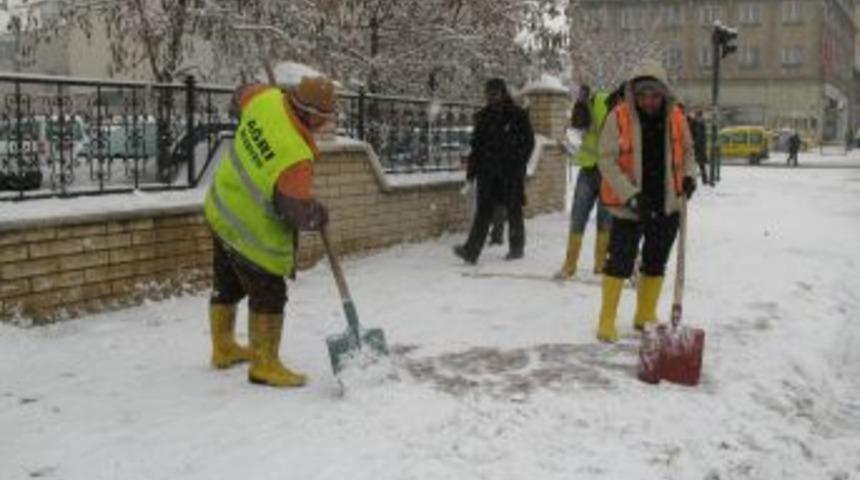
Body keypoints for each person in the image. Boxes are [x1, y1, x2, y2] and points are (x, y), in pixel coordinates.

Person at [203, 75, 336, 387]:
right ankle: (264, 364)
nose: (325, 125)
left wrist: (258, 125)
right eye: (325, 119)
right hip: (251, 231)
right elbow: (296, 210)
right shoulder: (294, 155)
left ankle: (223, 348)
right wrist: (318, 215)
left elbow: (239, 95)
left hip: (221, 210)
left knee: (227, 284)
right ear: (313, 114)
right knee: (269, 294)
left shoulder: (265, 98)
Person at [595, 60, 697, 343]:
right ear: (633, 94)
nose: (648, 101)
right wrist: (630, 194)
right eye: (642, 95)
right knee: (619, 262)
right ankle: (607, 319)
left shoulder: (676, 116)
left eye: (654, 95)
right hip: (630, 205)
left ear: (663, 93)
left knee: (655, 261)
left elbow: (689, 151)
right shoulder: (618, 117)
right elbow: (606, 160)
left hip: (667, 204)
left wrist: (689, 176)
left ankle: (644, 314)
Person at [454, 78, 535, 264]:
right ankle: (471, 251)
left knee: (513, 210)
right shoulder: (483, 117)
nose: (491, 97)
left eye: (495, 93)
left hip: (510, 172)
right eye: (489, 93)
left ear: (503, 93)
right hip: (488, 173)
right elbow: (476, 148)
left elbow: (529, 142)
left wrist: (518, 162)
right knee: (483, 212)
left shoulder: (517, 114)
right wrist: (471, 174)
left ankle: (516, 248)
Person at [555, 85, 612, 279]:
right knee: (578, 217)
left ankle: (600, 265)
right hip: (588, 170)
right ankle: (570, 265)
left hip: (607, 173)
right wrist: (569, 149)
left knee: (605, 221)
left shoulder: (606, 104)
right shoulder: (583, 108)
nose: (580, 126)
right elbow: (582, 136)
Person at [688, 109, 709, 185]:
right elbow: (698, 135)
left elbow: (696, 135)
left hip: (698, 147)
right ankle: (703, 180)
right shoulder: (699, 123)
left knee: (696, 165)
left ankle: (702, 180)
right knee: (699, 165)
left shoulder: (697, 123)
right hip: (699, 147)